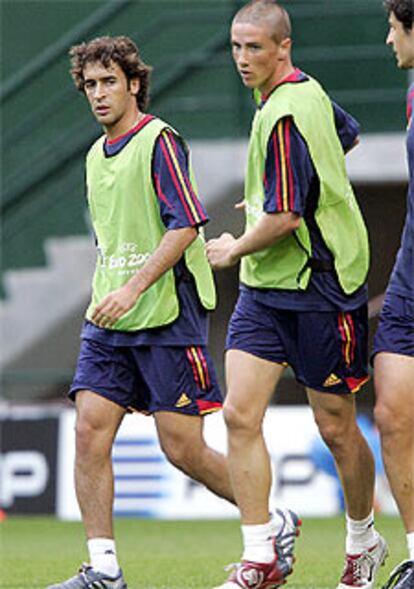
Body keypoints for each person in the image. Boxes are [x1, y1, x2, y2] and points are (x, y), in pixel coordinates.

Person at [206, 2, 388, 588]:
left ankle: (364, 539)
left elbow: (285, 220)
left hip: (321, 288)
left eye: (254, 48)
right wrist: (271, 193)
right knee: (238, 414)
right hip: (268, 292)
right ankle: (261, 554)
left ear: (284, 47)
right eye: (235, 47)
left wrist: (236, 245)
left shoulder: (289, 110)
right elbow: (346, 137)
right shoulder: (301, 92)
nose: (242, 58)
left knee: (336, 427)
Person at [46, 35, 236, 589]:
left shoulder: (159, 140)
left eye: (109, 82)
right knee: (88, 433)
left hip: (164, 311)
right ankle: (104, 570)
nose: (99, 94)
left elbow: (185, 225)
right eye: (90, 85)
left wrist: (132, 288)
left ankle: (269, 520)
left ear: (133, 83)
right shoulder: (91, 156)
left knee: (184, 450)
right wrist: (112, 292)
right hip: (108, 320)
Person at [372, 2, 414, 588]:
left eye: (395, 26)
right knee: (391, 412)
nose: (388, 40)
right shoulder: (411, 93)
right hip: (410, 277)